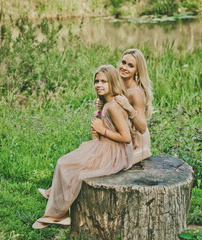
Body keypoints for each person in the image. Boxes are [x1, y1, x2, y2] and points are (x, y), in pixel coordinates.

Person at [32, 65, 133, 229]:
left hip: (115, 154)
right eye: (96, 81)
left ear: (113, 82)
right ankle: (57, 209)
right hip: (106, 146)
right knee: (65, 162)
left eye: (104, 82)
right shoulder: (107, 104)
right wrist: (98, 129)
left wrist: (103, 130)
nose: (98, 85)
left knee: (69, 166)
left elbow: (126, 138)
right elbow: (101, 134)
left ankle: (58, 213)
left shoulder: (114, 106)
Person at [97, 49, 153, 164]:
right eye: (123, 63)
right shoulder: (117, 83)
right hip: (123, 134)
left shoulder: (135, 93)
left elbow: (142, 128)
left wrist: (129, 107)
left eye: (130, 66)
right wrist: (103, 104)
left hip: (137, 140)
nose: (124, 67)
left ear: (137, 70)